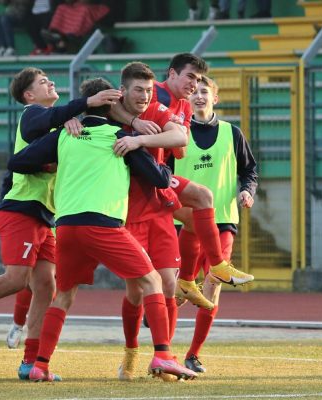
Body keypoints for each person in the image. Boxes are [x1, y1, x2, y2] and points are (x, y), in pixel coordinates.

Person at [0, 67, 121, 381]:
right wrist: (83, 104)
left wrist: (73, 118)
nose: (51, 83)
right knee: (18, 278)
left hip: (44, 215)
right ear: (28, 95)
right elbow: (44, 124)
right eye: (43, 82)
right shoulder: (32, 114)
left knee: (46, 286)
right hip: (21, 208)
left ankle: (29, 363)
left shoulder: (60, 123)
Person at [6, 77, 197, 382]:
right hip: (103, 224)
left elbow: (17, 161)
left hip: (66, 226)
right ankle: (163, 355)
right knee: (152, 282)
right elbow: (159, 180)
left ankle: (40, 365)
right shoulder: (118, 137)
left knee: (64, 296)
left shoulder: (66, 135)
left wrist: (55, 162)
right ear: (112, 104)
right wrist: (151, 156)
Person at [110, 53, 254, 311]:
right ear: (172, 74)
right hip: (132, 177)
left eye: (198, 79)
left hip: (156, 175)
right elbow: (110, 105)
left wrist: (173, 136)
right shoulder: (155, 93)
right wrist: (136, 125)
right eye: (190, 76)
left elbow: (180, 146)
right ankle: (209, 269)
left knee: (197, 208)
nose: (193, 84)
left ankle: (190, 279)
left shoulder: (184, 106)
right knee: (134, 288)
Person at [107, 62, 191, 382]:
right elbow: (88, 110)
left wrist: (139, 139)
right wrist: (131, 122)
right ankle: (130, 353)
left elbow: (179, 135)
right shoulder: (108, 108)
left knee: (169, 284)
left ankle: (164, 357)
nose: (144, 96)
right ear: (123, 89)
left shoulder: (156, 109)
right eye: (138, 90)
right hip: (125, 216)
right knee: (135, 292)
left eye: (148, 90)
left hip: (158, 211)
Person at [173, 76, 257, 373]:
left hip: (221, 221)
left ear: (215, 99)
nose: (198, 96)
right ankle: (163, 351)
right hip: (184, 222)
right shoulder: (176, 132)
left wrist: (248, 190)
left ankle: (193, 354)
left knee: (213, 282)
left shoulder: (231, 133)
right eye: (193, 91)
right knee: (177, 286)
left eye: (204, 92)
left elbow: (249, 170)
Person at [42, 0, 109, 53]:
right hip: (76, 5)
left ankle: (65, 40)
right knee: (62, 7)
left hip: (93, 6)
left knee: (84, 10)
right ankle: (56, 34)